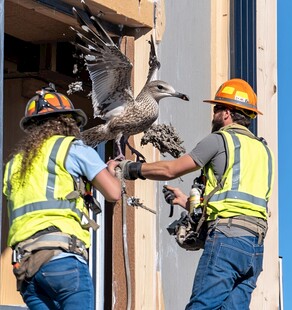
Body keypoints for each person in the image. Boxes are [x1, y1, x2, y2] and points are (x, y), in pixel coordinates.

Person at [112, 78, 274, 309]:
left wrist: (129, 168)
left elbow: (171, 170)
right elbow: (235, 201)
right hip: (254, 249)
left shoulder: (220, 139)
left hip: (227, 241)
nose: (214, 114)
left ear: (227, 113)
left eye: (217, 108)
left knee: (201, 306)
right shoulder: (263, 150)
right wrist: (185, 202)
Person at [3, 84, 121, 310]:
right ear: (69, 122)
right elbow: (113, 193)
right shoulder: (72, 148)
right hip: (62, 261)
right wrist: (113, 172)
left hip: (27, 270)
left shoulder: (14, 164)